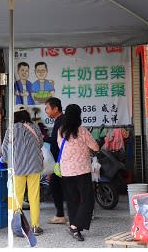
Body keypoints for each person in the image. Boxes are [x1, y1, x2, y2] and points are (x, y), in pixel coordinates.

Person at [58, 103, 100, 241]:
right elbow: (95, 147)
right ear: (78, 115)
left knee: (72, 200)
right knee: (87, 200)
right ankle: (75, 226)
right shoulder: (82, 131)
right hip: (82, 170)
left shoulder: (60, 131)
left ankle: (74, 228)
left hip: (66, 171)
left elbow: (60, 147)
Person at [2, 106, 45, 236]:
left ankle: (18, 227)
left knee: (17, 197)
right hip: (34, 166)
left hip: (18, 167)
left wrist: (7, 160)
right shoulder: (35, 127)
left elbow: (4, 149)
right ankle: (35, 226)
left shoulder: (11, 129)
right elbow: (41, 143)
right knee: (34, 196)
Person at [44, 97, 67, 224]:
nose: (46, 111)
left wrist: (43, 138)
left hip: (61, 160)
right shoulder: (59, 120)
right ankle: (61, 214)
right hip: (59, 160)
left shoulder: (61, 121)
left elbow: (57, 141)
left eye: (47, 108)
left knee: (56, 186)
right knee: (58, 186)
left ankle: (61, 215)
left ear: (55, 108)